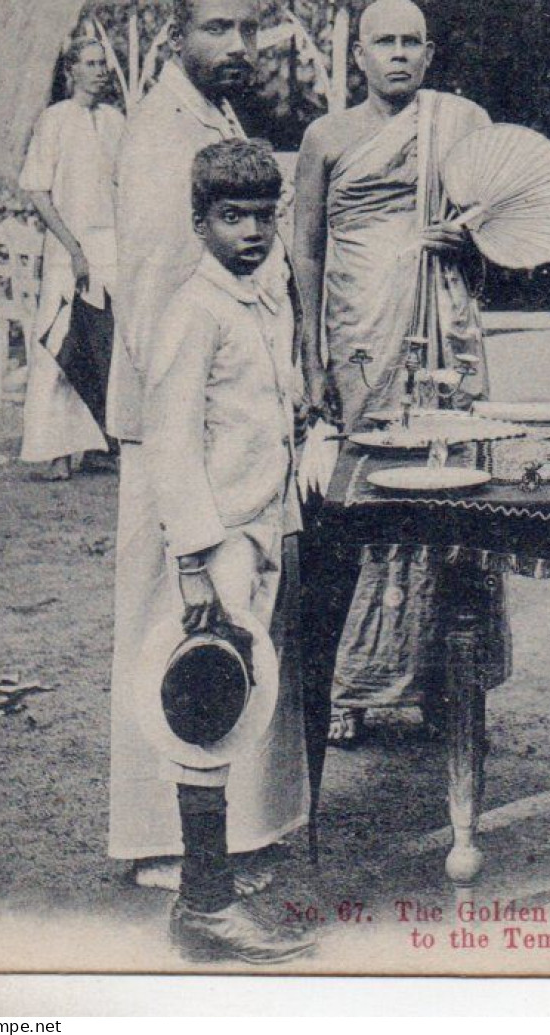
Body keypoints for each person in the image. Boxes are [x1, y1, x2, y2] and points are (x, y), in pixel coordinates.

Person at [108, 0, 306, 891]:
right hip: (180, 426)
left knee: (237, 624)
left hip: (229, 426)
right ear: (174, 36)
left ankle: (231, 832)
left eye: (249, 29)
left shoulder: (219, 119)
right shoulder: (160, 136)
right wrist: (196, 434)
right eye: (218, 30)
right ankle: (163, 840)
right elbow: (156, 306)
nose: (238, 46)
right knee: (178, 624)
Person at [292, 0, 500, 748]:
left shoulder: (462, 124)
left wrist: (466, 235)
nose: (399, 55)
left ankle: (445, 682)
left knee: (452, 490)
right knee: (363, 495)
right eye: (385, 41)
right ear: (360, 55)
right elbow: (306, 248)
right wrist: (310, 354)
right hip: (360, 334)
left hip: (443, 329)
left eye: (413, 42)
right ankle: (349, 682)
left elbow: (502, 229)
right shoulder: (327, 135)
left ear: (430, 53)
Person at [147, 139, 312, 963]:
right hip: (217, 542)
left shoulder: (263, 297)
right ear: (199, 221)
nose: (251, 232)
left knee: (240, 694)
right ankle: (204, 905)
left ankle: (209, 889)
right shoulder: (195, 309)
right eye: (231, 216)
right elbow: (170, 445)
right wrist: (193, 561)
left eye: (263, 215)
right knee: (207, 701)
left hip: (260, 521)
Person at [17, 37, 123, 480]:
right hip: (67, 246)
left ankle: (102, 443)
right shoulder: (55, 120)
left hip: (111, 245)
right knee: (59, 342)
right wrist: (74, 249)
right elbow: (38, 191)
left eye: (104, 64)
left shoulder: (116, 121)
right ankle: (55, 450)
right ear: (71, 71)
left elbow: (126, 188)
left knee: (108, 345)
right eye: (92, 64)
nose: (101, 71)